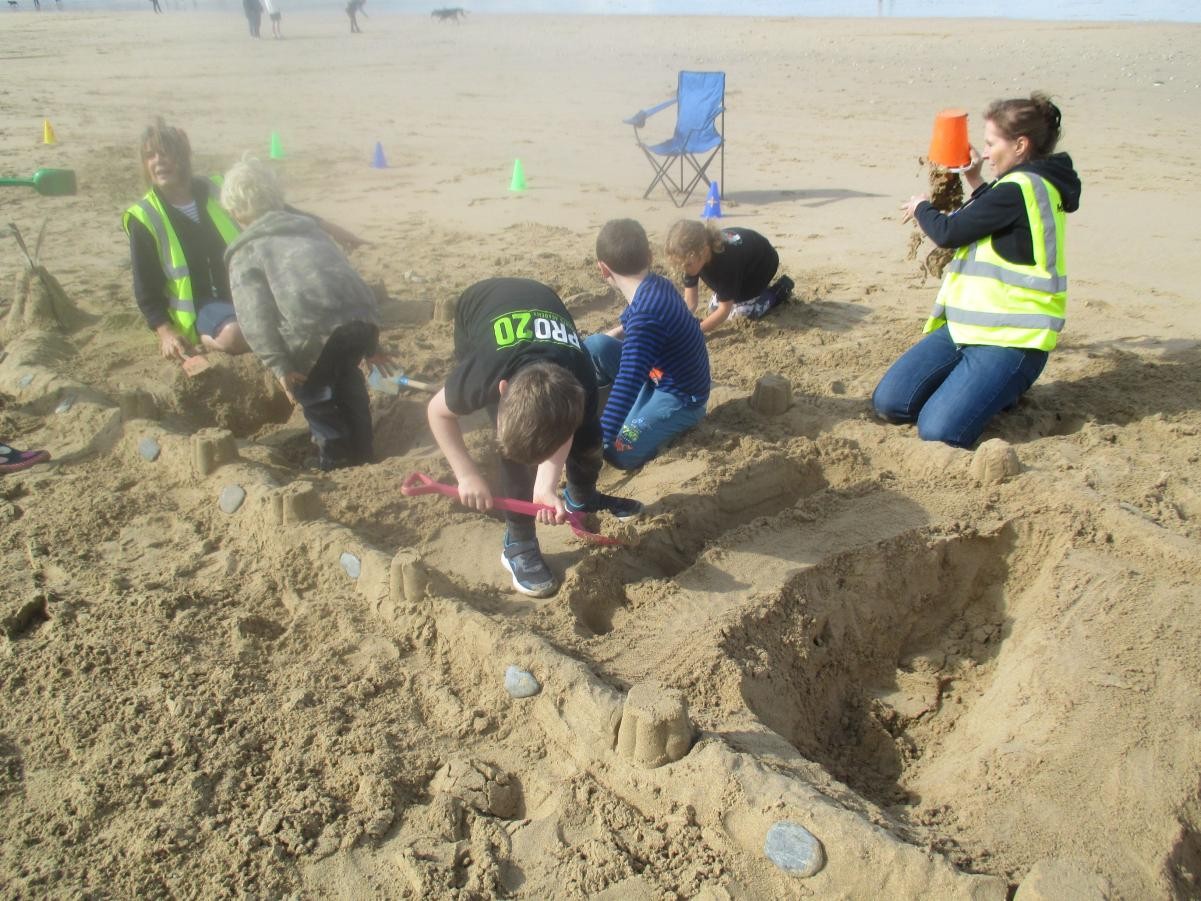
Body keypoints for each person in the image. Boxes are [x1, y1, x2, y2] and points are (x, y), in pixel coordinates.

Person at [873, 92, 1081, 448]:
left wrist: (922, 207)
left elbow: (948, 232)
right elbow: (1000, 221)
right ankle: (980, 387)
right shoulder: (1024, 185)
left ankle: (1001, 387)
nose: (983, 152)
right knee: (891, 403)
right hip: (967, 328)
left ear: (1020, 145)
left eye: (989, 143)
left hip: (1012, 340)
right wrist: (975, 180)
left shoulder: (1020, 188)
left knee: (939, 431)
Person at [426, 278, 643, 598]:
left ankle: (582, 498)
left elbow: (567, 431)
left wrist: (545, 487)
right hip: (479, 309)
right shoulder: (483, 373)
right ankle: (518, 541)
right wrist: (467, 475)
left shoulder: (580, 379)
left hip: (542, 300)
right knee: (515, 456)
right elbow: (437, 413)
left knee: (589, 439)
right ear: (502, 390)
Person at [124, 118, 364, 367]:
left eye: (165, 153)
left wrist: (333, 230)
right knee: (237, 336)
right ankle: (209, 341)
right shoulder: (144, 217)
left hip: (251, 285)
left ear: (183, 157)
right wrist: (166, 333)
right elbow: (146, 290)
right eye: (150, 156)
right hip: (204, 306)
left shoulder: (218, 187)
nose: (158, 161)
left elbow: (275, 210)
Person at [222, 158, 385, 471]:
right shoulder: (309, 230)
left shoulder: (247, 250)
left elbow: (254, 317)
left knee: (315, 394)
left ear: (234, 212)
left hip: (313, 329)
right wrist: (371, 341)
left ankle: (334, 460)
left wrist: (278, 364)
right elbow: (343, 276)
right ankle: (364, 452)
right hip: (361, 316)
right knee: (347, 377)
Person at [585, 219, 710, 470]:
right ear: (650, 256)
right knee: (596, 345)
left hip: (680, 395)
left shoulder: (647, 317)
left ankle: (661, 419)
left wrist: (599, 441)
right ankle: (627, 406)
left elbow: (628, 382)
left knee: (618, 449)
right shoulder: (656, 285)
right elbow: (629, 327)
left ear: (603, 269)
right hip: (653, 372)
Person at [665, 220, 794, 335]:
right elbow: (690, 302)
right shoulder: (690, 259)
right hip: (741, 264)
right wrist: (680, 324)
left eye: (687, 265)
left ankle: (778, 291)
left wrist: (696, 331)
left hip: (761, 266)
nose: (684, 269)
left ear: (704, 251)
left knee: (742, 313)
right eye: (680, 265)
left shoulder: (725, 264)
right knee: (713, 307)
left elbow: (724, 310)